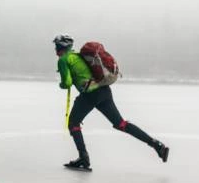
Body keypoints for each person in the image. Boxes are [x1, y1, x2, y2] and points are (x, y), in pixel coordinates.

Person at [53, 34, 169, 170]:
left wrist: (63, 84)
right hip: (104, 91)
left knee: (73, 123)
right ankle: (156, 145)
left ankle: (84, 158)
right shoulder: (78, 56)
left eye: (56, 46)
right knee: (121, 124)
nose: (55, 49)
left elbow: (66, 83)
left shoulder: (63, 60)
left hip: (90, 95)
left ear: (60, 47)